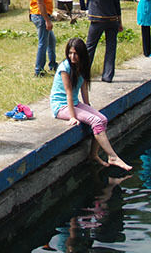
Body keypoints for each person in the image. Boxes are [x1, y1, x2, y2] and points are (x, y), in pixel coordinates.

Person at [50, 38, 132, 170]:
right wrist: (72, 116)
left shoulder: (82, 65)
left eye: (75, 54)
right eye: (70, 53)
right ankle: (112, 156)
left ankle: (93, 155)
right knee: (96, 121)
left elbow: (83, 87)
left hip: (74, 103)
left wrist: (87, 106)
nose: (72, 56)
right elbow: (69, 93)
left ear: (82, 54)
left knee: (103, 119)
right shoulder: (65, 68)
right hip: (61, 106)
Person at [84, 0, 122, 82]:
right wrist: (120, 22)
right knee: (111, 48)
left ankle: (84, 74)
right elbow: (117, 7)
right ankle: (107, 76)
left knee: (90, 47)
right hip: (112, 20)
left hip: (97, 20)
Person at [28, 0, 56, 76]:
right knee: (43, 43)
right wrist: (47, 20)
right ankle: (38, 70)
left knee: (51, 41)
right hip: (40, 15)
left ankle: (53, 64)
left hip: (40, 15)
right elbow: (40, 2)